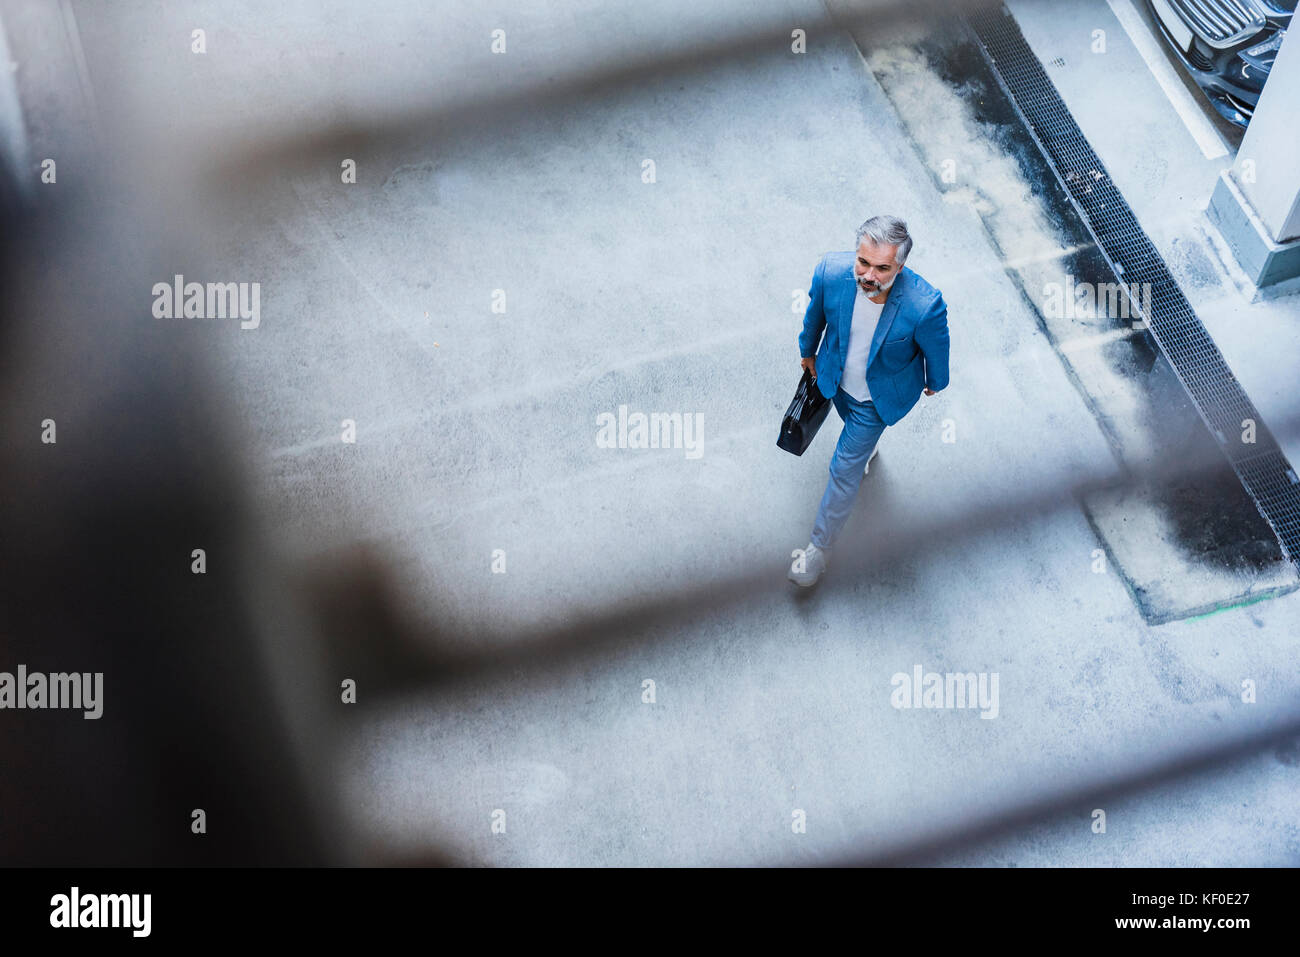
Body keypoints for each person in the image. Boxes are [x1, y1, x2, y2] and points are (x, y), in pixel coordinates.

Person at [788, 215, 950, 587]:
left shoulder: (924, 305)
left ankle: (818, 550)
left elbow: (937, 347)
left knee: (843, 470)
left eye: (882, 268)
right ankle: (866, 449)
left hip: (876, 401)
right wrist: (807, 351)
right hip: (834, 380)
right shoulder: (831, 271)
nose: (869, 275)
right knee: (850, 432)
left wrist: (935, 381)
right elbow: (814, 316)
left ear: (900, 266)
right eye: (863, 262)